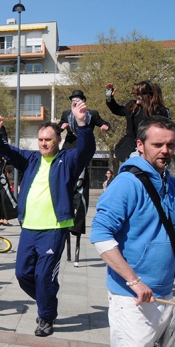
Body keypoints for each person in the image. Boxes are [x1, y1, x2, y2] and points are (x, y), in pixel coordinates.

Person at [91, 116, 175, 347]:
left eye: (170, 144)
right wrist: (133, 280)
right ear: (140, 145)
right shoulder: (126, 184)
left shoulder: (171, 183)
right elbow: (100, 236)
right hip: (132, 295)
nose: (165, 150)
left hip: (164, 295)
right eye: (158, 145)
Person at [0, 97, 96, 337]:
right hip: (29, 227)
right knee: (23, 274)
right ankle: (47, 300)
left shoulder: (68, 160)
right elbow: (7, 149)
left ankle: (46, 317)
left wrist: (83, 123)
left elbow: (87, 150)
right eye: (40, 140)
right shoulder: (31, 159)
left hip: (54, 228)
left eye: (48, 139)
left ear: (58, 140)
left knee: (44, 275)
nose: (44, 143)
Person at [60, 90, 111, 266]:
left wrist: (105, 126)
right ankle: (64, 227)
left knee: (80, 193)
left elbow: (103, 122)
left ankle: (77, 229)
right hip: (68, 150)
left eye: (77, 100)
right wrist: (61, 127)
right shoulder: (67, 114)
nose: (74, 103)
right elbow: (60, 124)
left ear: (83, 102)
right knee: (65, 189)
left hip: (82, 150)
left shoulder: (92, 114)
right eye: (72, 100)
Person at [106, 81, 170, 162]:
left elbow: (166, 131)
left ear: (147, 95)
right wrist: (109, 97)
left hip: (153, 148)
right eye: (134, 94)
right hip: (134, 148)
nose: (135, 96)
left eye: (138, 94)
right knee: (132, 169)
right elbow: (117, 109)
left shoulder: (160, 111)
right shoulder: (133, 107)